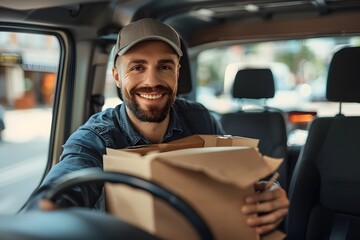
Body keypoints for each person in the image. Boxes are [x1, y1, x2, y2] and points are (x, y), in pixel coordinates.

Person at [22, 18, 289, 235]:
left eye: (164, 66)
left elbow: (236, 180)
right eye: (137, 67)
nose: (152, 81)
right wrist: (47, 212)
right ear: (116, 76)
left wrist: (269, 192)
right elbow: (63, 187)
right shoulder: (97, 137)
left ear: (177, 72)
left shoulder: (198, 119)